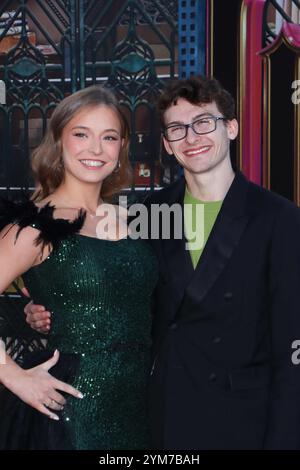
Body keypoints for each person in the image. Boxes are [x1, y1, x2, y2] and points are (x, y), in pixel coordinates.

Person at [25, 76, 300, 450]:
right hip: (158, 414)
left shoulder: (278, 218)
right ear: (168, 145)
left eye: (204, 122)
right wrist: (51, 307)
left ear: (231, 128)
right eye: (177, 129)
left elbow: (292, 342)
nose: (192, 137)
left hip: (243, 418)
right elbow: (124, 294)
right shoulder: (149, 214)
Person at [0, 85, 158, 450]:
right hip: (74, 413)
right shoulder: (35, 226)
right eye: (81, 134)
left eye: (109, 137)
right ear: (59, 143)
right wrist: (13, 376)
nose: (96, 149)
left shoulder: (132, 220)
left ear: (121, 149)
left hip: (139, 407)